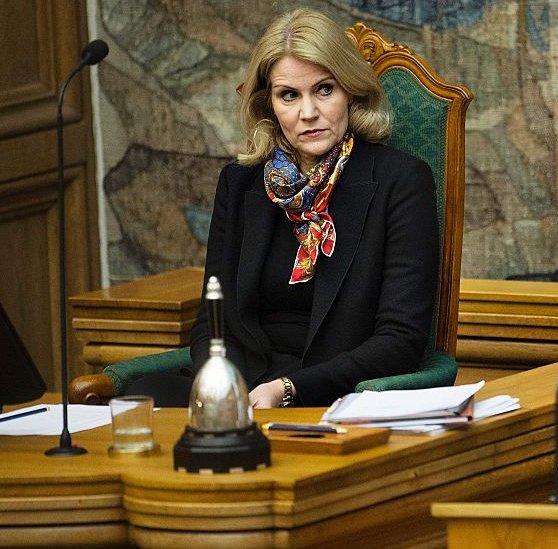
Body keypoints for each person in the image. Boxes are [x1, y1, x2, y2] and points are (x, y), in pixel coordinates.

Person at [127, 8, 438, 408]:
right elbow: (211, 324)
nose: (308, 113)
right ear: (268, 104)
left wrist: (288, 388)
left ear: (351, 92)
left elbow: (401, 341)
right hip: (243, 388)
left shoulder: (401, 181)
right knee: (137, 400)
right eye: (289, 95)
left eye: (324, 89)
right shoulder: (239, 184)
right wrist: (231, 392)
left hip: (335, 394)